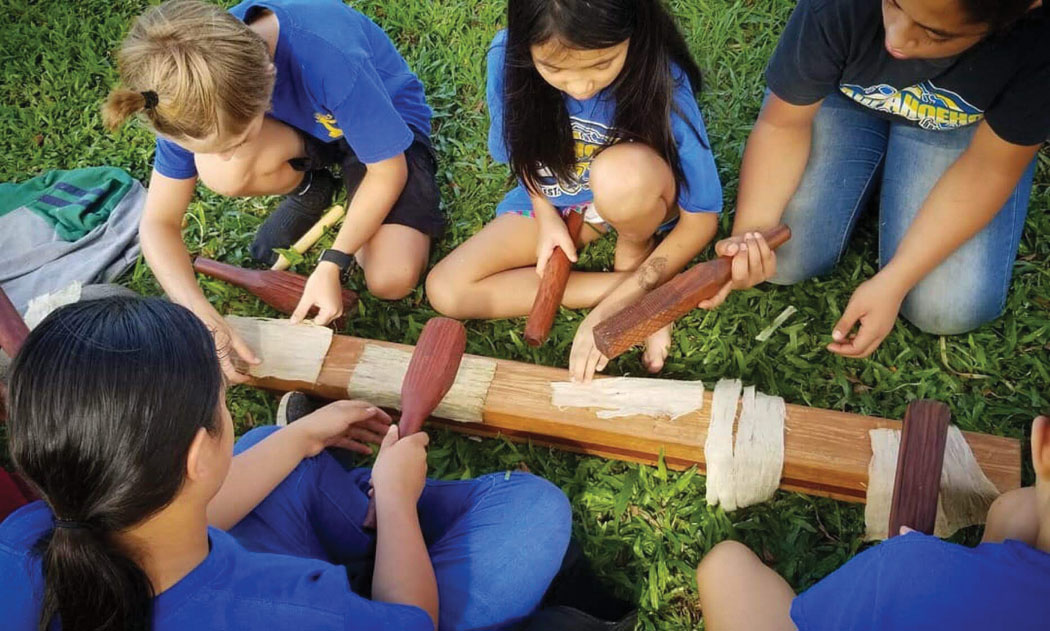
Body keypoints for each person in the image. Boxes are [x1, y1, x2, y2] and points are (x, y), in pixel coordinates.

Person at [0, 296, 571, 630]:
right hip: (348, 609)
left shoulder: (23, 540)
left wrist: (299, 437)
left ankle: (365, 520)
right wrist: (396, 502)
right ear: (197, 454)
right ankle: (388, 537)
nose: (225, 410)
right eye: (220, 406)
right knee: (533, 511)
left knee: (272, 451)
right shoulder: (290, 609)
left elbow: (172, 516)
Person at [102, 0, 445, 382]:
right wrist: (198, 311)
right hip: (308, 131)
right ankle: (312, 185)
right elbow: (158, 222)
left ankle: (347, 191)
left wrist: (333, 261)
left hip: (385, 127)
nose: (231, 155)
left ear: (268, 79)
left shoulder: (329, 56)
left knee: (389, 278)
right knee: (221, 172)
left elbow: (387, 171)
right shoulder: (184, 91)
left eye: (239, 140)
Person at [701, 0, 1048, 358]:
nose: (896, 39)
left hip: (959, 122)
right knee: (782, 257)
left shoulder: (1037, 40)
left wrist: (895, 281)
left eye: (934, 33)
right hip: (845, 96)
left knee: (946, 307)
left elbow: (988, 167)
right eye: (893, 3)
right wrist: (750, 236)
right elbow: (782, 124)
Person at [426, 0, 723, 382]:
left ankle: (635, 249)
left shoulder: (661, 75)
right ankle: (647, 293)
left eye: (602, 64)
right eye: (554, 68)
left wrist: (606, 314)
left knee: (620, 178)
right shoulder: (507, 59)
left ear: (632, 31)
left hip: (636, 192)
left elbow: (701, 219)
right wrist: (546, 215)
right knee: (447, 290)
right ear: (524, 45)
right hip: (558, 195)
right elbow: (519, 150)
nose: (581, 88)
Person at [694, 413, 1050, 630]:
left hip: (920, 581)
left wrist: (916, 560)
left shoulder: (909, 573)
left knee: (724, 566)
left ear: (1043, 445)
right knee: (1016, 511)